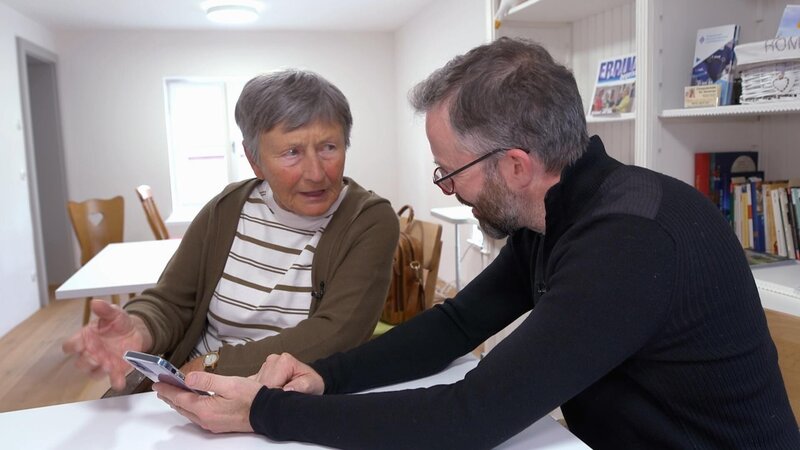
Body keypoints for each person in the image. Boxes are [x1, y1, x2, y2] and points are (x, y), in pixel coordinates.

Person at [153, 38, 800, 449]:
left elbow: (471, 416)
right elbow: (456, 324)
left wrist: (266, 413)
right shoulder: (562, 211)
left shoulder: (628, 242)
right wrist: (323, 377)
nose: (448, 188)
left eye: (450, 171)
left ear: (515, 165)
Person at [62, 69, 399, 391]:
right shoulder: (227, 208)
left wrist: (213, 365)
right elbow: (172, 300)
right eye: (292, 152)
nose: (316, 172)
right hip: (188, 386)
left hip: (282, 398)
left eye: (329, 147)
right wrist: (139, 327)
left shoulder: (368, 221)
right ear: (254, 160)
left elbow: (335, 334)